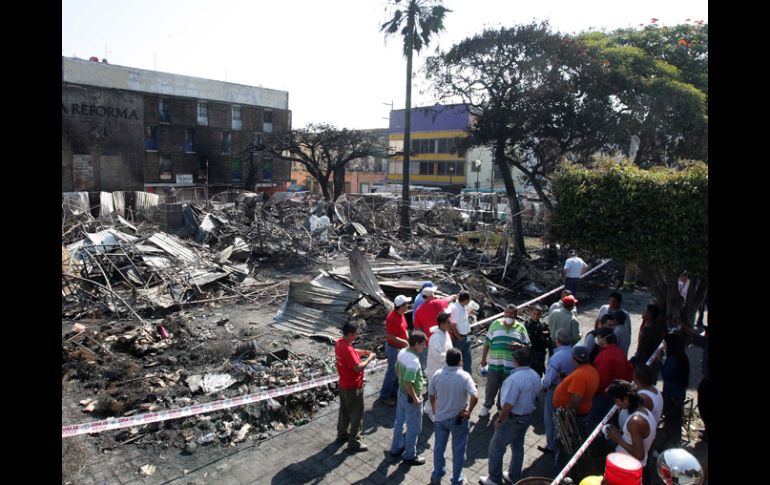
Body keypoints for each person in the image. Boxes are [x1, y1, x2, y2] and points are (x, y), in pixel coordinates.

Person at [480, 349, 541, 485]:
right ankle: (514, 475)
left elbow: (508, 404)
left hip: (513, 418)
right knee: (518, 446)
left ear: (516, 361)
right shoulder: (535, 375)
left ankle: (494, 479)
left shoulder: (514, 379)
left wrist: (500, 420)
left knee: (496, 447)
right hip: (527, 417)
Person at [428, 348, 479, 485]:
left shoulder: (437, 374)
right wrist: (468, 411)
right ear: (460, 361)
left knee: (439, 448)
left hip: (441, 418)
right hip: (458, 419)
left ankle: (437, 474)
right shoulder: (464, 376)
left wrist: (434, 409)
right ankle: (457, 479)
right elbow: (475, 396)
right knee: (458, 451)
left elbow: (431, 394)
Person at [479, 304, 530, 418]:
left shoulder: (521, 328)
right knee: (491, 386)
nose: (509, 315)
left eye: (512, 313)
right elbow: (487, 343)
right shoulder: (495, 324)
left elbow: (528, 346)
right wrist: (483, 360)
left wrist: (519, 346)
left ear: (516, 315)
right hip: (494, 364)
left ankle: (500, 408)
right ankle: (487, 406)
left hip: (511, 366)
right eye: (507, 312)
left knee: (505, 389)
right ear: (504, 313)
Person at [552, 345, 600, 467]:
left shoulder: (579, 376)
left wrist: (568, 416)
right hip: (583, 413)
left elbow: (576, 397)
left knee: (565, 447)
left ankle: (560, 471)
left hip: (574, 419)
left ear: (574, 359)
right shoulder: (591, 370)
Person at [335, 321, 375, 452]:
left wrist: (363, 352)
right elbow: (358, 368)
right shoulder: (347, 348)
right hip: (353, 388)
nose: (357, 336)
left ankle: (341, 434)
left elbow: (352, 352)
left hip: (343, 385)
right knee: (356, 414)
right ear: (351, 334)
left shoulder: (339, 343)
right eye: (356, 333)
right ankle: (354, 441)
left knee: (344, 411)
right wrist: (369, 359)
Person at [389, 331, 428, 465]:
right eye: (423, 344)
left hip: (401, 393)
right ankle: (410, 455)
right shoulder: (414, 361)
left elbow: (396, 370)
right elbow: (408, 381)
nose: (424, 346)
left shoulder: (402, 352)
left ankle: (396, 448)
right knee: (414, 428)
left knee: (399, 421)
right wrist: (416, 398)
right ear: (416, 344)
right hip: (411, 397)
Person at [539, 328, 577, 455]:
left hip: (555, 390)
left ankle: (552, 445)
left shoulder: (557, 357)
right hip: (571, 389)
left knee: (550, 418)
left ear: (558, 341)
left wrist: (543, 386)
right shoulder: (574, 352)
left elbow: (548, 379)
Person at [604, 380, 657, 468]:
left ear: (625, 399)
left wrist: (617, 439)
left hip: (628, 467)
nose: (616, 405)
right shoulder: (644, 411)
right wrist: (620, 434)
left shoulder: (635, 422)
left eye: (617, 401)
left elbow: (640, 455)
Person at [588, 327, 633, 430]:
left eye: (599, 337)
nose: (597, 339)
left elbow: (601, 381)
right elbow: (629, 369)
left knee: (594, 423)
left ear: (604, 339)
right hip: (619, 393)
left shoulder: (605, 357)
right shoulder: (619, 351)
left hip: (605, 396)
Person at [414, 286, 457, 369]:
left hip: (428, 342)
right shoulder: (438, 303)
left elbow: (418, 329)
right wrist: (454, 296)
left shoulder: (418, 310)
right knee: (447, 363)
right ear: (432, 295)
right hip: (444, 338)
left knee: (430, 366)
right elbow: (448, 300)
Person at [379, 294, 411, 406]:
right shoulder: (392, 318)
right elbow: (390, 337)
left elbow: (405, 328)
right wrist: (405, 342)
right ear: (401, 306)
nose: (408, 305)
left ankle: (394, 392)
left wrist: (407, 339)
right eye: (406, 304)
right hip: (394, 349)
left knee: (399, 372)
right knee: (392, 373)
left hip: (401, 348)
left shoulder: (401, 314)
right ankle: (384, 396)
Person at [661, 332, 690, 448]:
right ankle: (675, 441)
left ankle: (670, 443)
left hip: (671, 395)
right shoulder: (683, 358)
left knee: (671, 421)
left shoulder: (672, 360)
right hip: (679, 394)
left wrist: (660, 363)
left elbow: (665, 375)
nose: (664, 345)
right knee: (677, 420)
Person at [424, 312, 455, 421]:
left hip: (444, 368)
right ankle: (432, 412)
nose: (450, 323)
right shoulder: (435, 338)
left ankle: (430, 408)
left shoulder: (445, 333)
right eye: (448, 322)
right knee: (434, 393)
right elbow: (437, 355)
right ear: (442, 324)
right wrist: (451, 356)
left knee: (438, 393)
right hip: (435, 369)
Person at [618, 364, 663, 429]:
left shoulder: (643, 397)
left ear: (635, 377)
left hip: (635, 434)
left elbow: (634, 417)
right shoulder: (654, 389)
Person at [449, 291, 474, 374]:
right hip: (459, 338)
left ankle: (468, 379)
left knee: (467, 360)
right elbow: (453, 326)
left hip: (466, 337)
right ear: (466, 300)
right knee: (457, 361)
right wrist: (459, 337)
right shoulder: (456, 309)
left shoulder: (462, 307)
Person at [524, 305, 550, 377]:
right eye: (534, 314)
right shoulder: (527, 325)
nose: (536, 316)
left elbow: (548, 339)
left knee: (539, 374)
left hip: (540, 353)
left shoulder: (543, 325)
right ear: (531, 313)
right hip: (530, 354)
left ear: (541, 314)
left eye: (538, 314)